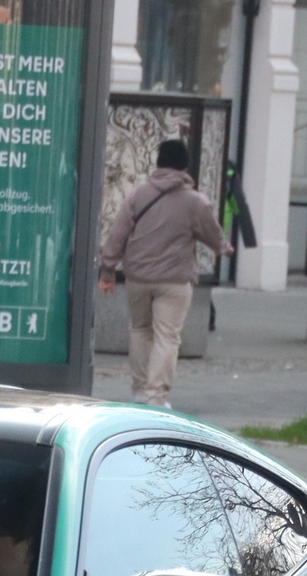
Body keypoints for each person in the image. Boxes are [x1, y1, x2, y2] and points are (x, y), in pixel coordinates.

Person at [97, 138, 228, 408]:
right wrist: (223, 247)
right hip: (175, 280)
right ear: (185, 166)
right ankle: (156, 397)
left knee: (140, 331)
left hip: (138, 278)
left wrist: (107, 270)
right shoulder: (195, 202)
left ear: (158, 163)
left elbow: (118, 234)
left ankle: (138, 391)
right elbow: (211, 233)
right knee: (167, 336)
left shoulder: (137, 195)